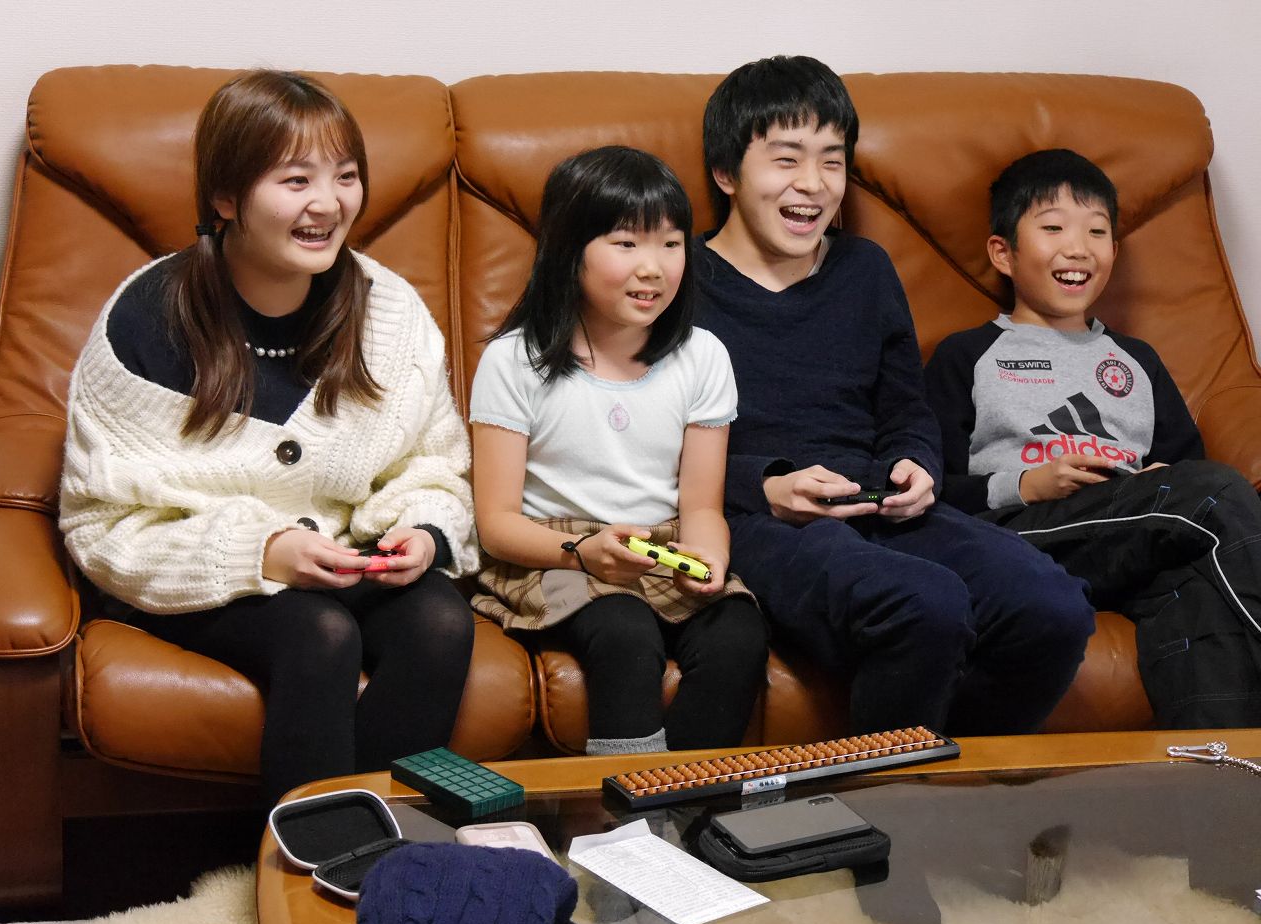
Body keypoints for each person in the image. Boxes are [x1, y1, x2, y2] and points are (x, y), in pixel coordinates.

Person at [59, 70, 479, 803]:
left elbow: (433, 464)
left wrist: (422, 531)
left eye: (346, 175)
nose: (329, 203)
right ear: (226, 198)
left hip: (345, 557)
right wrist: (263, 551)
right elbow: (103, 523)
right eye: (295, 180)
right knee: (319, 634)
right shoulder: (146, 319)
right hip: (200, 575)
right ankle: (306, 859)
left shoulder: (389, 314)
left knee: (441, 620)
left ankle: (390, 845)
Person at [694, 55, 1095, 737]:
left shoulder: (866, 269)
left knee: (1052, 607)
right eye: (786, 159)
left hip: (878, 501)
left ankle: (949, 771)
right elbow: (644, 436)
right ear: (726, 173)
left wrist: (917, 463)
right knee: (925, 604)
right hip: (758, 519)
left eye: (832, 161)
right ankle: (887, 795)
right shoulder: (681, 280)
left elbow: (906, 406)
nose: (813, 184)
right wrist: (764, 486)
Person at [925, 148, 1261, 727]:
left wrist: (1161, 480)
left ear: (1113, 251)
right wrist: (1027, 485)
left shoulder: (1137, 360)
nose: (1078, 247)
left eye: (1097, 232)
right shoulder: (967, 355)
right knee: (1215, 494)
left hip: (1130, 533)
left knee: (1196, 588)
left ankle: (1215, 768)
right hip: (1021, 533)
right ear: (1003, 253)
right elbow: (928, 486)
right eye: (1053, 228)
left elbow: (1186, 469)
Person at [469, 146, 769, 756]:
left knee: (738, 632)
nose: (652, 268)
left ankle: (687, 799)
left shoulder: (703, 356)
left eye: (671, 243)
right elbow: (495, 524)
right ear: (569, 250)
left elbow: (701, 506)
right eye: (626, 244)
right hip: (554, 553)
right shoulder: (514, 360)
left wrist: (708, 558)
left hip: (662, 544)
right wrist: (583, 553)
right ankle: (629, 807)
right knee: (624, 630)